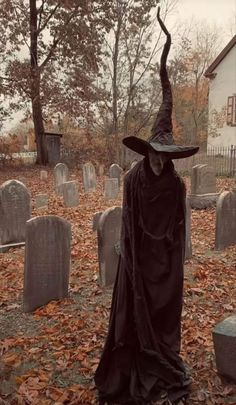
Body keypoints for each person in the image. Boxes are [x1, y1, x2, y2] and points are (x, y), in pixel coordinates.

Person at [94, 7, 199, 405]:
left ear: (171, 156)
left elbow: (177, 227)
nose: (158, 160)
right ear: (147, 152)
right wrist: (134, 270)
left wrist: (171, 264)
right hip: (138, 262)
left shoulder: (176, 185)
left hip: (164, 264)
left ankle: (162, 359)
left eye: (164, 155)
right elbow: (129, 227)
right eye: (153, 153)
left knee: (163, 315)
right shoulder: (134, 180)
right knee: (133, 319)